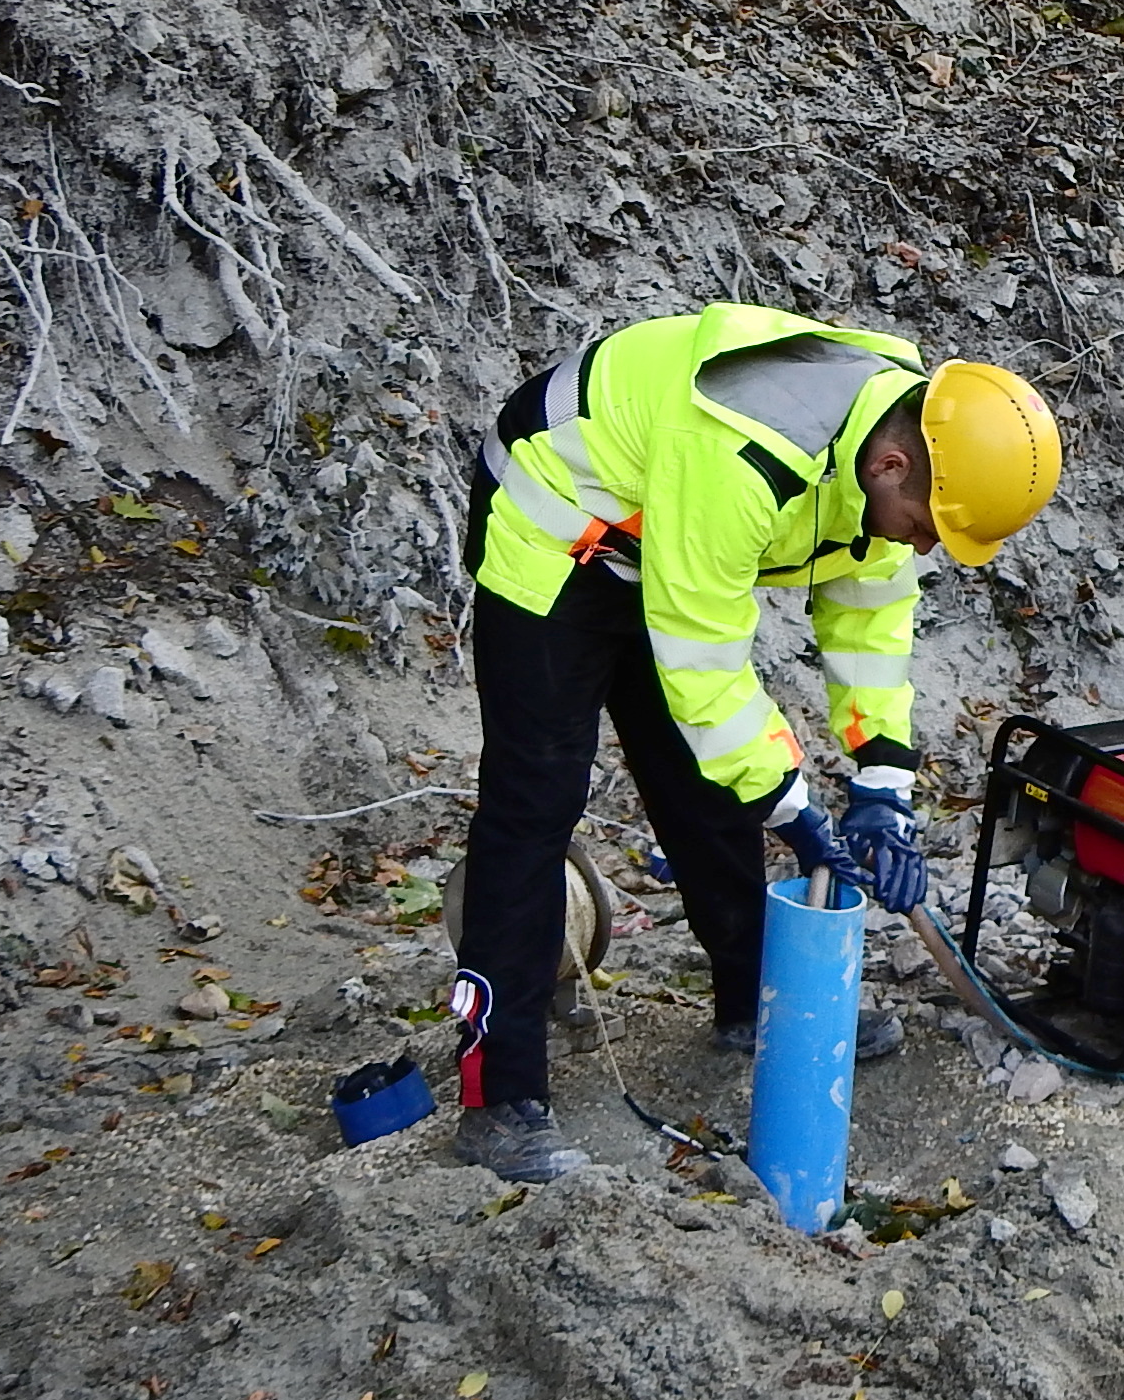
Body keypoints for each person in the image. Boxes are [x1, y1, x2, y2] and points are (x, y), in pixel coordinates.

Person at [445, 302, 1062, 1180]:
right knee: (533, 800)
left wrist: (885, 791)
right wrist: (800, 814)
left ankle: (752, 1003)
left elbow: (871, 637)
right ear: (892, 467)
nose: (926, 547)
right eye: (927, 528)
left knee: (706, 783)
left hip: (665, 542)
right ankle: (497, 1102)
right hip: (558, 534)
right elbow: (703, 663)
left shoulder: (907, 447)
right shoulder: (745, 453)